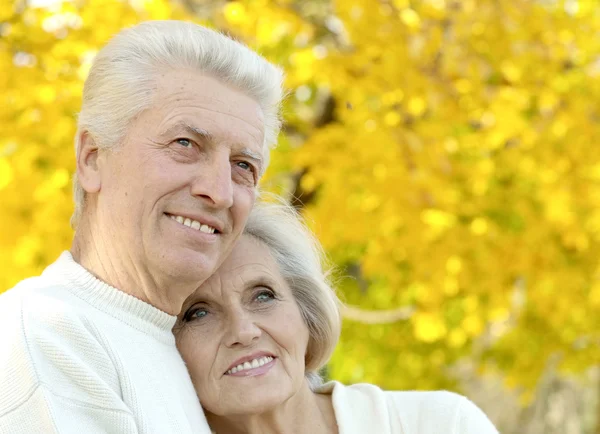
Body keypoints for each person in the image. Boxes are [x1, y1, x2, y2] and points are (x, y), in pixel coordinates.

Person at [0, 21, 283, 433]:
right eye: (185, 144)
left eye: (243, 166)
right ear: (93, 158)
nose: (219, 192)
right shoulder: (49, 339)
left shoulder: (171, 351)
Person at [174, 201, 499, 434]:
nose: (243, 330)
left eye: (263, 296)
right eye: (198, 313)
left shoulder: (441, 424)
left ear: (306, 314)